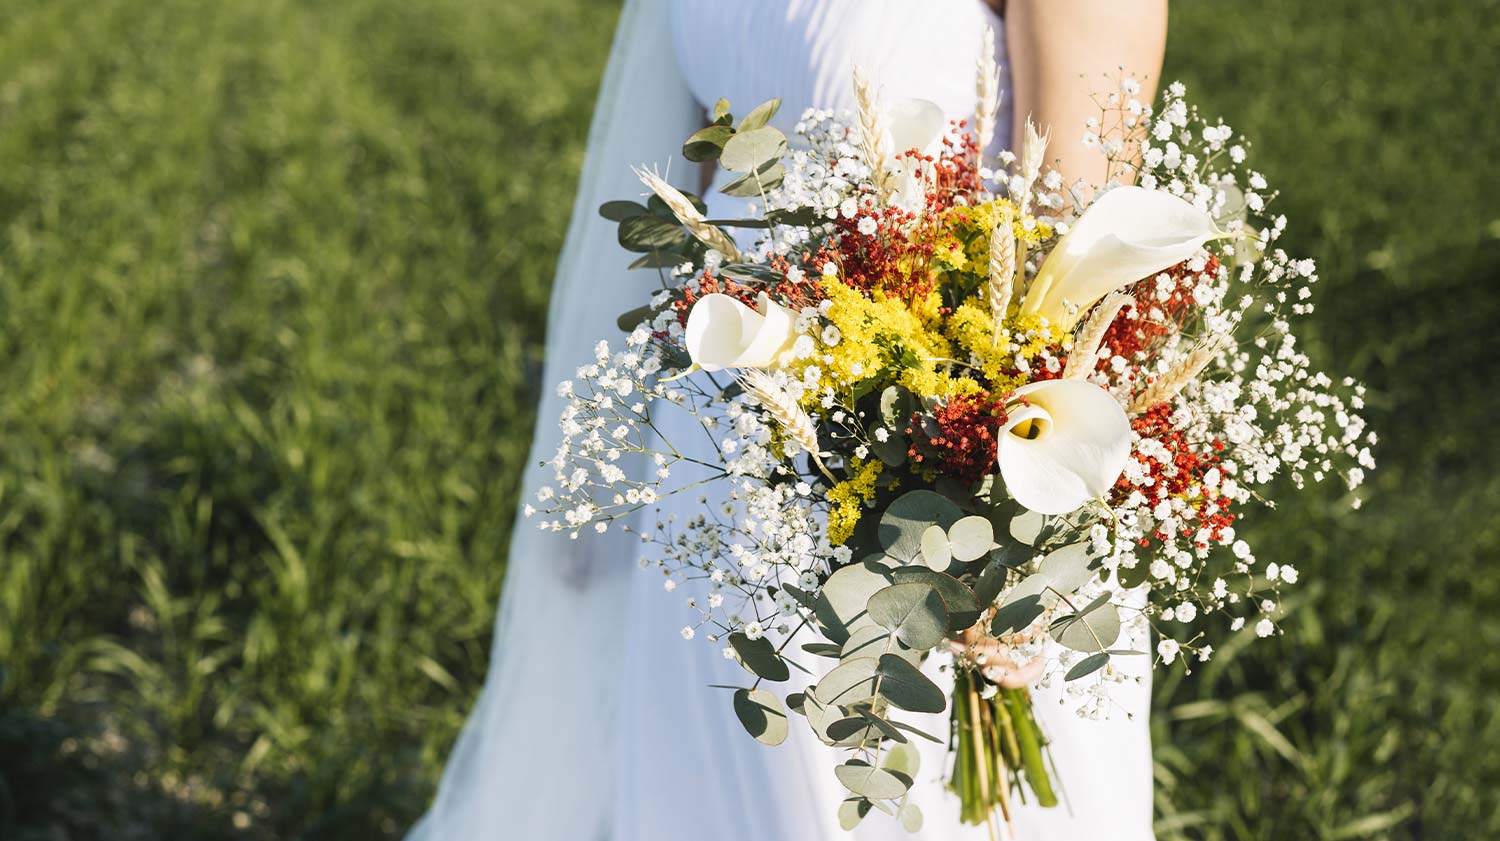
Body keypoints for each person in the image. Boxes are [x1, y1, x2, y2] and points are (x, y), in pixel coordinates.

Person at [408, 1, 1168, 838]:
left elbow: (1085, 247)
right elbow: (703, 178)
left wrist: (1001, 538)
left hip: (931, 484)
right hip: (720, 478)